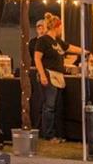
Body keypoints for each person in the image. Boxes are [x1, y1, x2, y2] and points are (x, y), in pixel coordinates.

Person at [32, 13, 81, 141]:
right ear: (56, 27)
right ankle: (48, 134)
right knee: (49, 106)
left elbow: (69, 47)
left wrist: (84, 51)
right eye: (61, 27)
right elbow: (37, 58)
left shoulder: (57, 41)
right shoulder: (43, 40)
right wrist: (42, 75)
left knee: (54, 106)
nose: (62, 30)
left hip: (58, 76)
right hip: (49, 75)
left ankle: (54, 133)